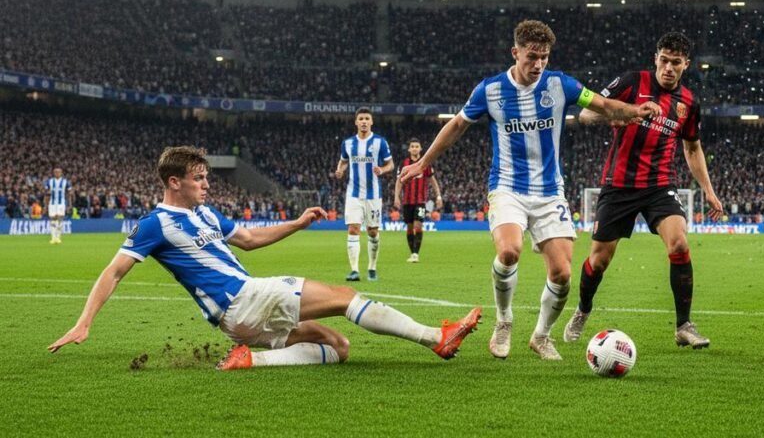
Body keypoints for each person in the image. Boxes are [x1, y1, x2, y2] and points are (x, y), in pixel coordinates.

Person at [48, 146, 480, 369]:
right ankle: (434, 339)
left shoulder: (205, 213)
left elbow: (250, 239)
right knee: (345, 297)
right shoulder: (153, 225)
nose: (206, 185)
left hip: (238, 321)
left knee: (338, 346)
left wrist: (296, 223)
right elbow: (114, 271)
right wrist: (84, 322)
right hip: (243, 298)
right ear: (174, 181)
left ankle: (252, 358)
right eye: (199, 179)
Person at [399, 20, 659, 361]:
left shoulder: (560, 84)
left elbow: (602, 105)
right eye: (532, 57)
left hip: (550, 191)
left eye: (544, 57)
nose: (538, 65)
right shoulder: (490, 90)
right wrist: (423, 163)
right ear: (515, 52)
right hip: (507, 186)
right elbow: (458, 125)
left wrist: (634, 112)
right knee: (509, 251)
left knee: (563, 274)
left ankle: (541, 335)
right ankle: (504, 320)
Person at [561, 32, 724, 350]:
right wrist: (618, 113)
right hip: (619, 185)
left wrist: (709, 190)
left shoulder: (688, 103)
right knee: (599, 261)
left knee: (678, 243)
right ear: (656, 58)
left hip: (660, 185)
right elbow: (586, 114)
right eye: (664, 60)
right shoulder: (632, 82)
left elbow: (692, 149)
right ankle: (583, 309)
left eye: (676, 62)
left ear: (685, 64)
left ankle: (683, 325)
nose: (668, 68)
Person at [336, 107, 393, 282]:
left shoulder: (380, 142)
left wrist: (382, 170)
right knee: (353, 228)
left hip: (373, 195)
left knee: (372, 231)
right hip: (353, 194)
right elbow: (343, 160)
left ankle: (372, 267)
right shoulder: (348, 143)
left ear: (371, 122)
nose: (364, 121)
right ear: (356, 122)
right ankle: (354, 270)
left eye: (367, 118)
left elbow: (390, 164)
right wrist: (340, 170)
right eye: (361, 118)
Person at [394, 138, 443, 263]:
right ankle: (412, 253)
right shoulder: (404, 163)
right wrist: (396, 197)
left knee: (418, 226)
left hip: (420, 201)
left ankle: (416, 254)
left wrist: (438, 196)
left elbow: (433, 181)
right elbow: (399, 181)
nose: (415, 148)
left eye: (417, 146)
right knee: (410, 228)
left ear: (420, 149)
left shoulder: (425, 164)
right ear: (409, 149)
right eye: (412, 146)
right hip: (407, 201)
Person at [45, 167, 70, 244]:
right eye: (55, 172)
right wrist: (46, 204)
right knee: (52, 219)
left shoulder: (66, 182)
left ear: (61, 173)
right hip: (52, 203)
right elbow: (46, 194)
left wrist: (69, 204)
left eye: (58, 172)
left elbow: (69, 194)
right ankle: (53, 238)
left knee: (59, 219)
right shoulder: (49, 181)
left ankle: (58, 237)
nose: (57, 173)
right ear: (53, 173)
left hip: (61, 203)